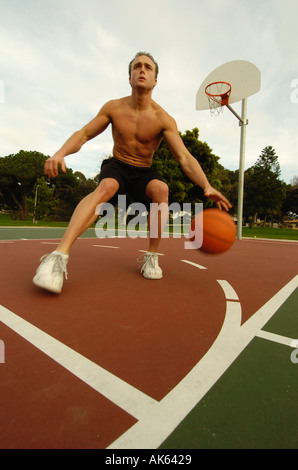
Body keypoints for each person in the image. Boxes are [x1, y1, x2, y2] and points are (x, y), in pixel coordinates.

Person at [33, 52, 231, 293]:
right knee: (106, 186)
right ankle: (58, 257)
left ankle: (152, 256)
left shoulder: (163, 118)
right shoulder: (114, 107)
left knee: (161, 189)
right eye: (137, 66)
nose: (142, 70)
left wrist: (206, 185)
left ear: (155, 80)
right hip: (118, 165)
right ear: (129, 77)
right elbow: (84, 133)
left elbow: (184, 157)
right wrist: (60, 153)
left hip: (143, 171)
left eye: (148, 67)